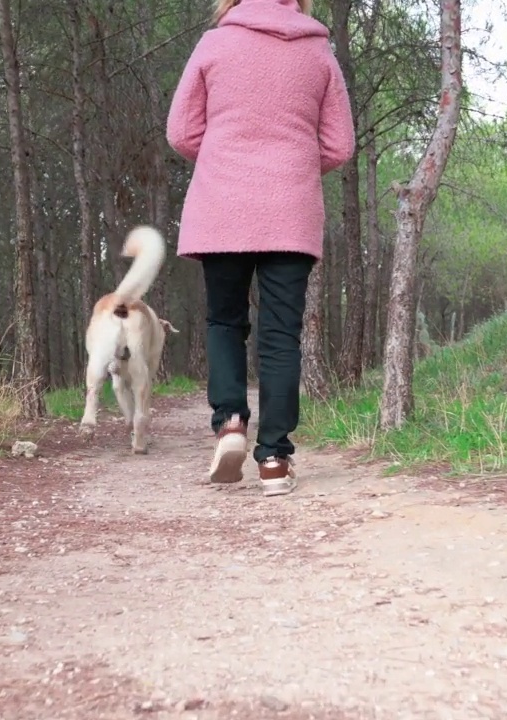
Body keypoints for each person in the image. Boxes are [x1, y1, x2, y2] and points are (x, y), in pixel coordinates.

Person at [166, 0, 355, 497]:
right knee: (280, 336)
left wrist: (228, 152)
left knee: (225, 321)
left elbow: (182, 132)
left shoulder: (215, 43)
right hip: (290, 209)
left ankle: (229, 421)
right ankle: (274, 458)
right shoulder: (318, 51)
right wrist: (289, 162)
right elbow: (339, 145)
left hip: (222, 204)